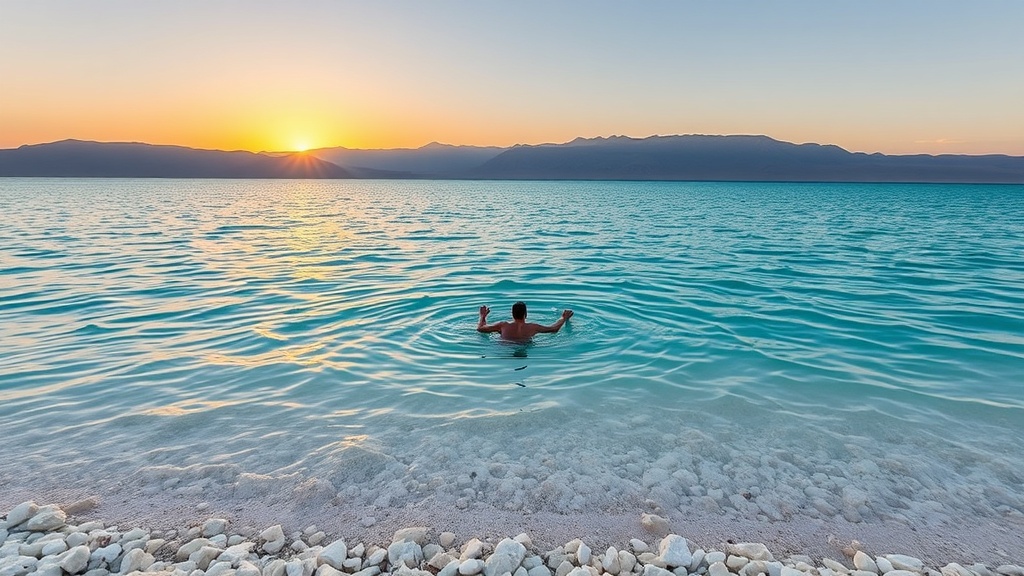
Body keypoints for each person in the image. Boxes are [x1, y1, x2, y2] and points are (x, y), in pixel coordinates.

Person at [477, 301, 574, 341]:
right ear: (525, 314)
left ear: (512, 314)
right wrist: (563, 317)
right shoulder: (533, 327)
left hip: (504, 347)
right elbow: (554, 329)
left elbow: (480, 328)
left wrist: (482, 316)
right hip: (525, 345)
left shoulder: (503, 325)